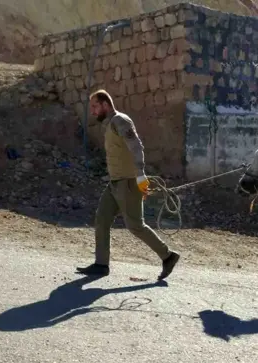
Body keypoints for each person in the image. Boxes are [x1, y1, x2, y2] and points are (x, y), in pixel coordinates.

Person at [76, 89, 180, 280]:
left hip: (129, 183)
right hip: (114, 184)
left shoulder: (120, 121)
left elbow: (137, 147)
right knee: (102, 219)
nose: (92, 111)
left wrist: (140, 175)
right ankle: (101, 265)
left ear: (105, 105)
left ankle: (167, 256)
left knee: (135, 226)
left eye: (95, 106)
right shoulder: (109, 125)